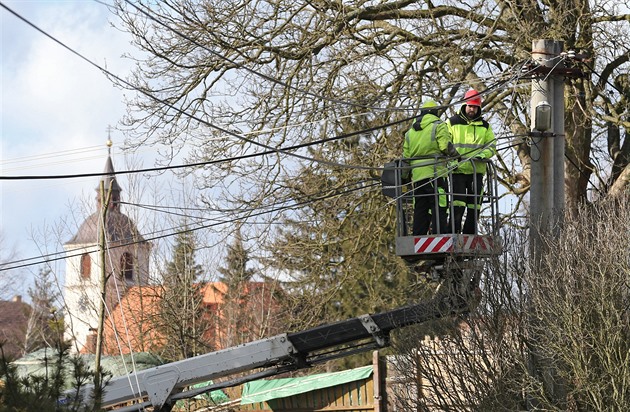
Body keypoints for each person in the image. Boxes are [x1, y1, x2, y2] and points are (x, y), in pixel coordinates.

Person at [403, 100, 459, 236]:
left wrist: (404, 177)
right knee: (439, 204)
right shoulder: (439, 125)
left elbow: (406, 157)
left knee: (420, 207)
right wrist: (456, 156)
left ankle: (418, 235)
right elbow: (445, 145)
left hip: (417, 178)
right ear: (435, 112)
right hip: (435, 174)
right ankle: (440, 234)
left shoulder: (410, 132)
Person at [447, 89, 496, 234]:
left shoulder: (485, 127)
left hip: (476, 172)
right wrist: (453, 158)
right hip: (458, 170)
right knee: (458, 204)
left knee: (475, 206)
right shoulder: (451, 123)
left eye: (475, 107)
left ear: (479, 107)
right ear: (465, 105)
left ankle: (469, 233)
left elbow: (492, 146)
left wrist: (482, 155)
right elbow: (445, 143)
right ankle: (453, 232)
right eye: (470, 106)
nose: (472, 109)